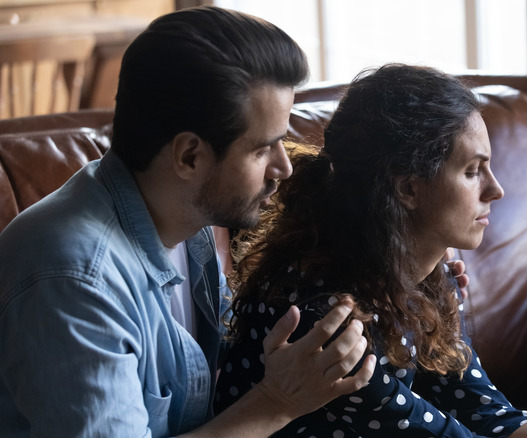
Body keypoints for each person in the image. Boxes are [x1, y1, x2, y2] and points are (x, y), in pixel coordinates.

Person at [214, 64, 527, 438]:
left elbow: (496, 422)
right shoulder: (329, 318)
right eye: (471, 170)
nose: (496, 190)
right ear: (407, 188)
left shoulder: (425, 281)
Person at [0, 6, 377, 437]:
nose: (283, 167)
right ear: (189, 157)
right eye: (262, 150)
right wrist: (278, 402)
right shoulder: (74, 279)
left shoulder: (185, 221)